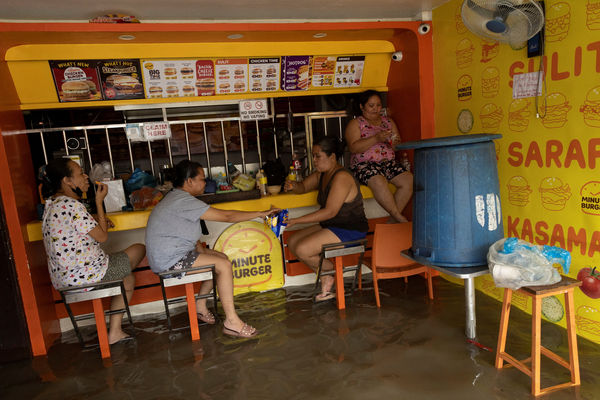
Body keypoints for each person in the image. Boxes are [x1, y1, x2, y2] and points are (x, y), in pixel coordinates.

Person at [145, 160, 278, 338]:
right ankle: (232, 322)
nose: (205, 183)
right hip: (169, 262)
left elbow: (184, 235)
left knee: (221, 258)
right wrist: (261, 214)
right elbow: (227, 216)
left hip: (172, 256)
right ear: (189, 181)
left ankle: (200, 305)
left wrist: (208, 252)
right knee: (222, 266)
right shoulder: (183, 200)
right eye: (201, 178)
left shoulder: (177, 197)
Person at [41, 158, 145, 345]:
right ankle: (114, 332)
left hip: (63, 279)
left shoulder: (51, 205)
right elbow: (103, 237)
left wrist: (95, 217)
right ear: (67, 181)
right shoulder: (72, 206)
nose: (86, 176)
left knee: (126, 276)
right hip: (87, 275)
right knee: (139, 249)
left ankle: (115, 332)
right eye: (80, 173)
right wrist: (99, 202)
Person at [284, 135, 369, 302]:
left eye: (318, 156)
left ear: (332, 157)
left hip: (349, 229)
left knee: (303, 249)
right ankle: (328, 274)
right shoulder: (321, 174)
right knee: (293, 242)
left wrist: (296, 220)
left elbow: (329, 211)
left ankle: (331, 274)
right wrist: (293, 186)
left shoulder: (342, 177)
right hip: (332, 225)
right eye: (313, 156)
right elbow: (303, 187)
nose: (314, 160)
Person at [345, 89, 413, 223]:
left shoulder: (388, 122)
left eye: (378, 105)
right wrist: (376, 138)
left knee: (409, 180)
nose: (375, 109)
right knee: (379, 180)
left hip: (388, 163)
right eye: (371, 105)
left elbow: (397, 144)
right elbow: (353, 147)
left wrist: (394, 142)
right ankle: (398, 216)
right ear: (361, 106)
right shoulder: (356, 123)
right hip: (364, 165)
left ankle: (392, 221)